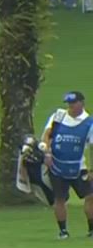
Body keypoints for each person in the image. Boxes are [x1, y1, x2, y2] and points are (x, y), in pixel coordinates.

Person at [42, 91, 93, 239]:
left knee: (90, 196)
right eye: (68, 103)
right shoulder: (58, 116)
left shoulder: (89, 123)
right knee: (59, 199)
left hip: (79, 167)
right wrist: (47, 153)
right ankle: (63, 231)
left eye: (73, 103)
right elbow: (47, 134)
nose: (70, 106)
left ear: (81, 103)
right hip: (57, 166)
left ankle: (91, 229)